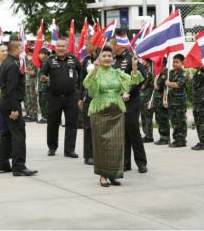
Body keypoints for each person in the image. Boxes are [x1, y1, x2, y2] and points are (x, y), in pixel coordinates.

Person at [83, 45, 143, 187]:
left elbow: (134, 80)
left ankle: (114, 175)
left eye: (109, 56)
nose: (107, 58)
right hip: (99, 114)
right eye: (104, 56)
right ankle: (103, 175)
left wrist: (134, 66)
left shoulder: (117, 73)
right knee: (102, 146)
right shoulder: (94, 72)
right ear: (98, 58)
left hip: (117, 114)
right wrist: (95, 69)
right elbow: (87, 84)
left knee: (116, 146)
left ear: (113, 58)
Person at [0, 39, 37, 176]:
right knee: (18, 134)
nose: (23, 51)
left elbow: (0, 82)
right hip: (10, 103)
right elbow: (11, 89)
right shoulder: (12, 65)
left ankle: (2, 164)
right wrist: (14, 109)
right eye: (21, 48)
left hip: (4, 101)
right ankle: (19, 166)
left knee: (7, 133)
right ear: (14, 50)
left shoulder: (6, 62)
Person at [110, 37, 148, 173]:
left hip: (131, 100)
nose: (111, 49)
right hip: (118, 100)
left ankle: (141, 163)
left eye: (111, 46)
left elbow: (142, 76)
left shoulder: (132, 58)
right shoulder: (113, 60)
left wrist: (129, 92)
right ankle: (126, 163)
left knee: (133, 131)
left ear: (117, 46)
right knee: (122, 132)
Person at [39, 38, 82, 158]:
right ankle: (52, 147)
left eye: (63, 46)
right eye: (58, 46)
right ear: (55, 48)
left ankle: (69, 150)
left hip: (71, 97)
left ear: (67, 48)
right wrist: (42, 77)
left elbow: (83, 73)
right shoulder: (50, 60)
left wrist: (80, 88)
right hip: (54, 97)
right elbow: (41, 73)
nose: (60, 48)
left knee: (72, 124)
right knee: (52, 123)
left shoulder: (73, 59)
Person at [163, 54, 191, 148]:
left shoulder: (183, 74)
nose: (174, 64)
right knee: (174, 121)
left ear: (182, 63)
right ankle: (176, 139)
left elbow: (178, 84)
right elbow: (165, 87)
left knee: (181, 121)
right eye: (174, 62)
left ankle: (182, 140)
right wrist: (164, 99)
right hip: (171, 101)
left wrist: (169, 83)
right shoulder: (170, 73)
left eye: (177, 62)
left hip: (180, 102)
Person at [78, 37, 97, 165]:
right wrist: (80, 98)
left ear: (95, 45)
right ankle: (88, 155)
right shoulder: (86, 60)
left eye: (87, 45)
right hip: (88, 97)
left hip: (102, 97)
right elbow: (82, 80)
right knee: (88, 126)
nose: (85, 47)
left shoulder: (104, 58)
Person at [190, 65, 204, 150]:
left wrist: (191, 79)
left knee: (202, 122)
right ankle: (202, 141)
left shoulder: (200, 73)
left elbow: (194, 84)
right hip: (197, 100)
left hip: (201, 101)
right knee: (198, 122)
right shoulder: (198, 72)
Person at [153, 57, 170, 145]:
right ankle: (162, 137)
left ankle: (165, 138)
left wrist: (155, 82)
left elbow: (158, 87)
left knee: (163, 119)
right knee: (159, 118)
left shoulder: (165, 73)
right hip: (158, 99)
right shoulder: (162, 73)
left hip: (161, 99)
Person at [140, 58, 154, 143]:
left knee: (148, 117)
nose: (141, 63)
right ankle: (146, 134)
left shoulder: (148, 73)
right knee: (143, 117)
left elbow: (142, 86)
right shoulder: (143, 73)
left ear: (148, 64)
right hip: (142, 98)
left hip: (147, 98)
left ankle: (149, 136)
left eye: (143, 62)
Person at [24, 45, 38, 122]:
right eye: (28, 54)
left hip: (32, 84)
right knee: (28, 100)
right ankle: (29, 114)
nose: (29, 56)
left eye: (30, 54)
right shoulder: (26, 63)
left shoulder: (34, 63)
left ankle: (34, 115)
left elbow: (34, 73)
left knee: (33, 100)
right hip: (27, 83)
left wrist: (27, 71)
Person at [37, 48, 50, 124]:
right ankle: (44, 116)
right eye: (39, 54)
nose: (40, 55)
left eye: (42, 54)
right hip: (41, 87)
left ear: (46, 55)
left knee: (45, 103)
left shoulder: (47, 63)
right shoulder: (40, 63)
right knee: (41, 102)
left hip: (45, 86)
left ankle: (46, 117)